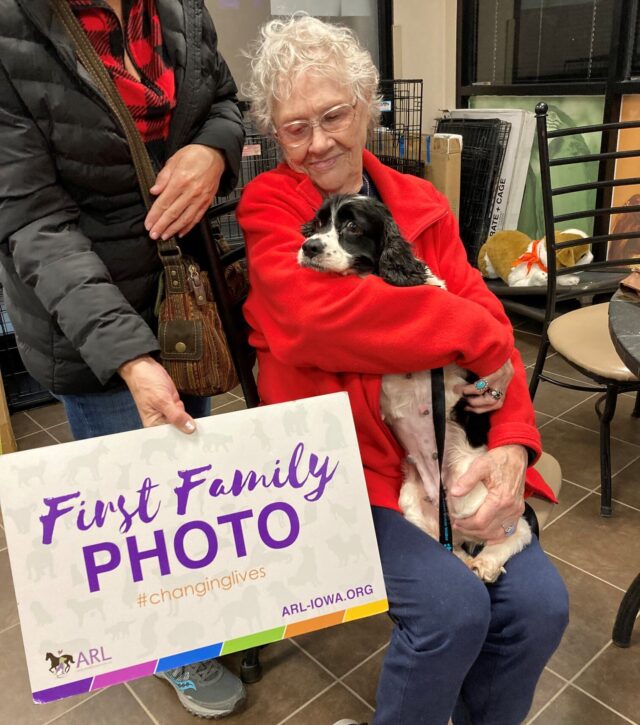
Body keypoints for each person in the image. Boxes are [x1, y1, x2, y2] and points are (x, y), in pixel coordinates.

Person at [238, 15, 569, 725]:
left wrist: (511, 439)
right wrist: (468, 330)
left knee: (541, 605)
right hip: (340, 470)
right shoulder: (272, 206)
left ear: (367, 104)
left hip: (451, 446)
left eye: (333, 115)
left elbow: (497, 350)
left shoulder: (422, 204)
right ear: (273, 132)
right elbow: (319, 322)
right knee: (452, 609)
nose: (319, 140)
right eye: (296, 128)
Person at [0, 0, 246, 718]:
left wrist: (214, 151)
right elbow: (32, 222)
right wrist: (129, 357)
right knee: (135, 505)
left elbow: (224, 100)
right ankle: (176, 647)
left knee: (185, 468)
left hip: (180, 291)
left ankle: (199, 609)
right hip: (87, 318)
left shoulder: (177, 9)